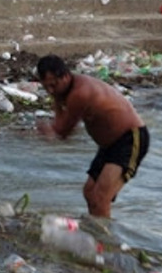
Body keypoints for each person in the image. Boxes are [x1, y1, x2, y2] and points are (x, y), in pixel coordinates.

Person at [37, 54, 149, 218]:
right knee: (89, 192)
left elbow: (63, 131)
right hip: (109, 146)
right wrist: (56, 105)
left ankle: (106, 242)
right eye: (46, 87)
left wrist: (47, 130)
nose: (50, 91)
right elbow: (60, 123)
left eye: (53, 85)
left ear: (66, 76)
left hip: (130, 139)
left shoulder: (80, 93)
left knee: (101, 197)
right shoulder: (64, 91)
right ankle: (98, 235)